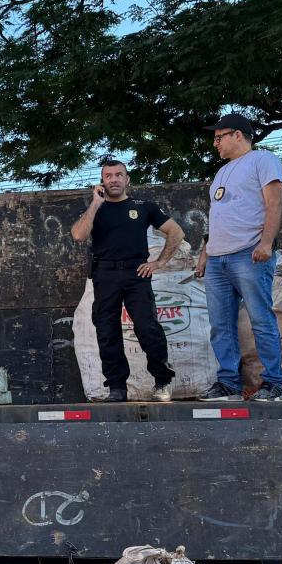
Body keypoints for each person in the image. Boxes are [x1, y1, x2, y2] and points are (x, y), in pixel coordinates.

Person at [70, 158, 184, 402]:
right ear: (102, 181)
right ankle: (117, 387)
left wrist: (159, 262)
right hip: (105, 275)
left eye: (118, 174)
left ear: (127, 179)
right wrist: (95, 204)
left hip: (136, 274)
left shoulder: (144, 207)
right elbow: (78, 235)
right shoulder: (96, 209)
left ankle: (162, 380)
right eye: (108, 175)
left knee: (148, 328)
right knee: (107, 332)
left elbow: (176, 232)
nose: (114, 179)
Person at [197, 112, 282, 402]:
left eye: (219, 136)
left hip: (249, 255)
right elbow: (218, 216)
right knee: (220, 324)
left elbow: (274, 203)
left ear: (238, 135)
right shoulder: (221, 172)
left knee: (261, 319)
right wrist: (204, 253)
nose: (215, 143)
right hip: (217, 259)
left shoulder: (263, 160)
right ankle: (229, 384)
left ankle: (273, 383)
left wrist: (266, 243)